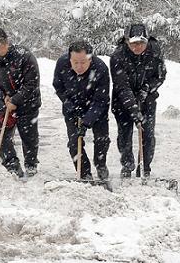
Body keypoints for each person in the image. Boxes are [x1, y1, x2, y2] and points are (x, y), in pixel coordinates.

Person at [0, 28, 41, 178]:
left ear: (6, 43)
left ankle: (31, 163)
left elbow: (32, 83)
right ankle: (12, 164)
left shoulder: (23, 56)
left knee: (29, 135)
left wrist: (16, 99)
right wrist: (1, 95)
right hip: (3, 103)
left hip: (27, 103)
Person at [110, 23, 166, 178]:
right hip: (123, 101)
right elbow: (122, 86)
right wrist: (134, 109)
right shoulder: (118, 56)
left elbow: (160, 76)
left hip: (147, 98)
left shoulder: (155, 52)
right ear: (127, 41)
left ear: (147, 41)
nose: (137, 47)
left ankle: (145, 167)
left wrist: (147, 89)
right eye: (133, 43)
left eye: (141, 43)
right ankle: (127, 166)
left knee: (147, 134)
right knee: (125, 135)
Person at [53, 41, 110, 181]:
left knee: (102, 139)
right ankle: (84, 174)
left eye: (83, 62)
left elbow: (100, 100)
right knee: (74, 142)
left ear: (90, 58)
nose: (79, 66)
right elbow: (59, 87)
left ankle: (100, 164)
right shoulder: (62, 64)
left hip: (97, 108)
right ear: (69, 58)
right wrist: (70, 105)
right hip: (72, 108)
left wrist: (86, 122)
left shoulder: (101, 68)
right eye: (75, 62)